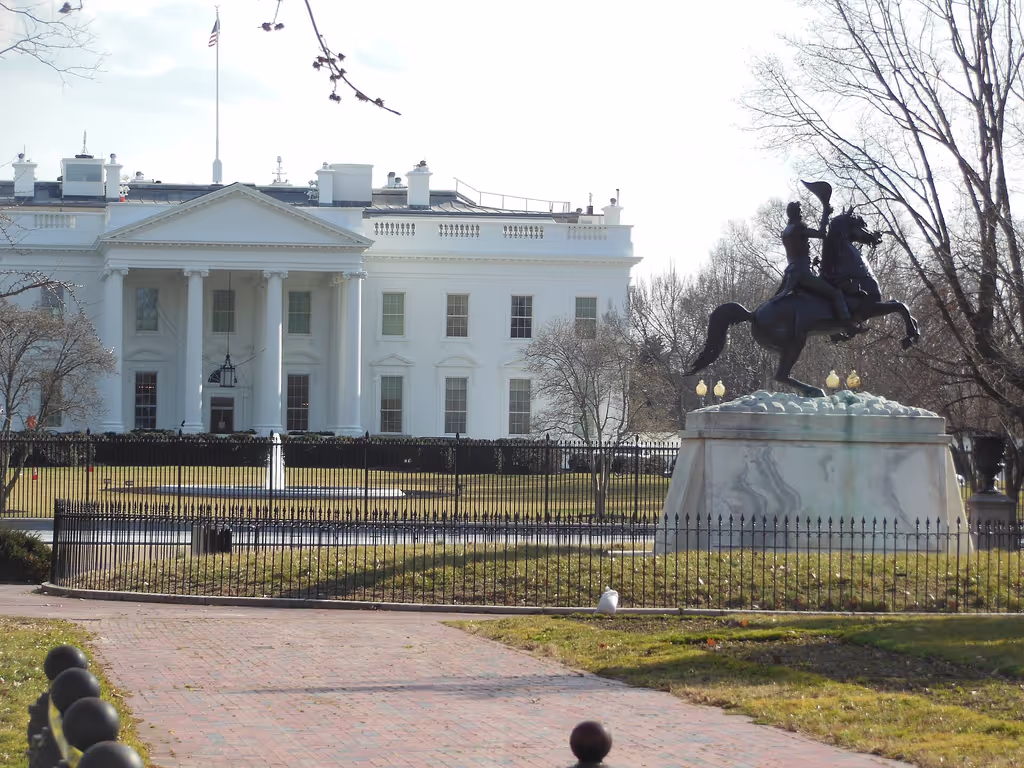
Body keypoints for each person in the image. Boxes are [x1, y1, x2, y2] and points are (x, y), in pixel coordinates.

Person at [776, 200, 857, 328]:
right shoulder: (799, 228)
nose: (802, 213)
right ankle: (847, 325)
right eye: (800, 211)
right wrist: (825, 212)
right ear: (796, 213)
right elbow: (821, 234)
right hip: (803, 273)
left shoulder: (786, 232)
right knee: (835, 293)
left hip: (791, 272)